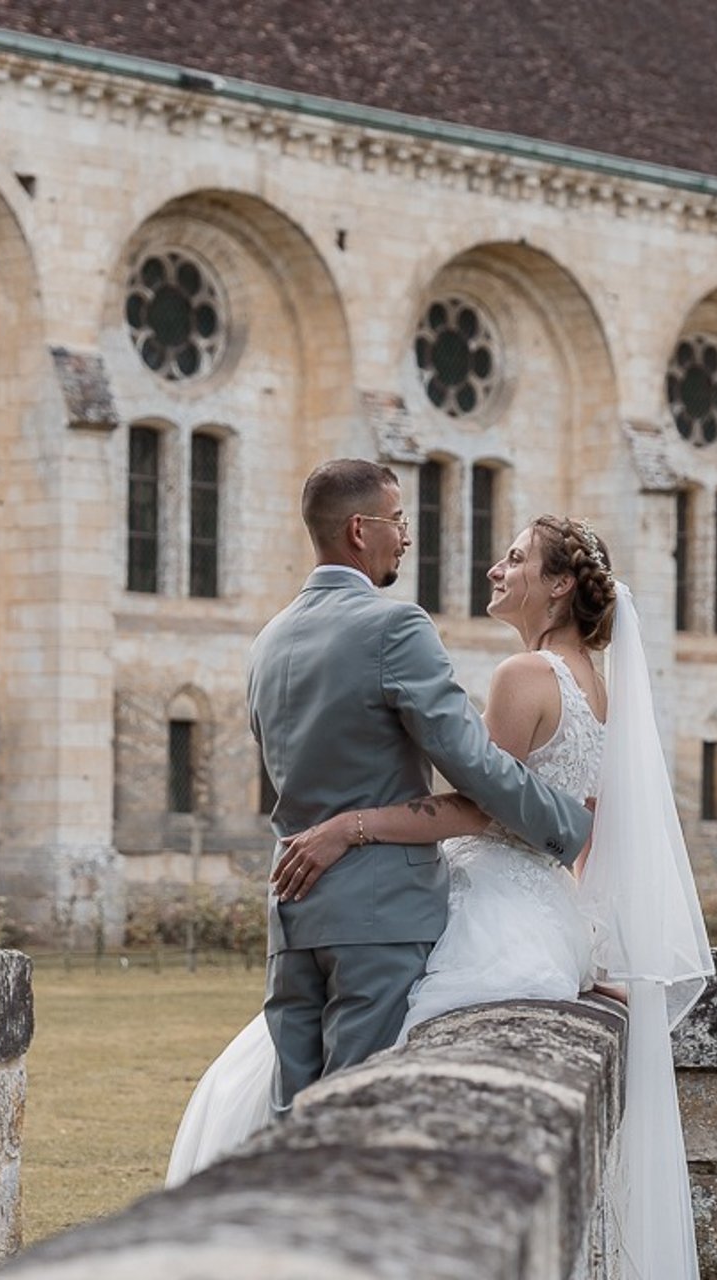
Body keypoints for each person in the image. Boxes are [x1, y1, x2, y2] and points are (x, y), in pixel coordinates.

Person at [168, 513, 714, 1279]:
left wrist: (350, 827)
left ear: (559, 586)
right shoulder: (599, 684)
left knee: (318, 1065)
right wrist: (585, 940)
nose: (496, 569)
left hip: (491, 895)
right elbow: (587, 829)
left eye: (516, 558)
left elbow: (479, 805)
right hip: (548, 911)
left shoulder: (524, 677)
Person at [243, 461, 593, 1120]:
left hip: (291, 910)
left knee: (290, 1125)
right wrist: (563, 823)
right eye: (398, 520)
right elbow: (470, 761)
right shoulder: (394, 628)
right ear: (359, 529)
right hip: (378, 913)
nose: (406, 536)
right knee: (353, 1120)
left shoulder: (268, 640)